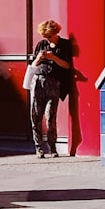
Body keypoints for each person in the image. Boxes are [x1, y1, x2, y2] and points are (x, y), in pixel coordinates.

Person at [28, 19, 75, 158]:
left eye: (49, 36)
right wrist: (39, 58)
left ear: (55, 32)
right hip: (38, 80)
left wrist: (53, 57)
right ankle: (38, 147)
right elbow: (33, 64)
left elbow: (67, 65)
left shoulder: (64, 45)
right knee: (35, 114)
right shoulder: (41, 44)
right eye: (45, 37)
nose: (47, 40)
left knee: (51, 115)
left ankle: (52, 146)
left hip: (54, 82)